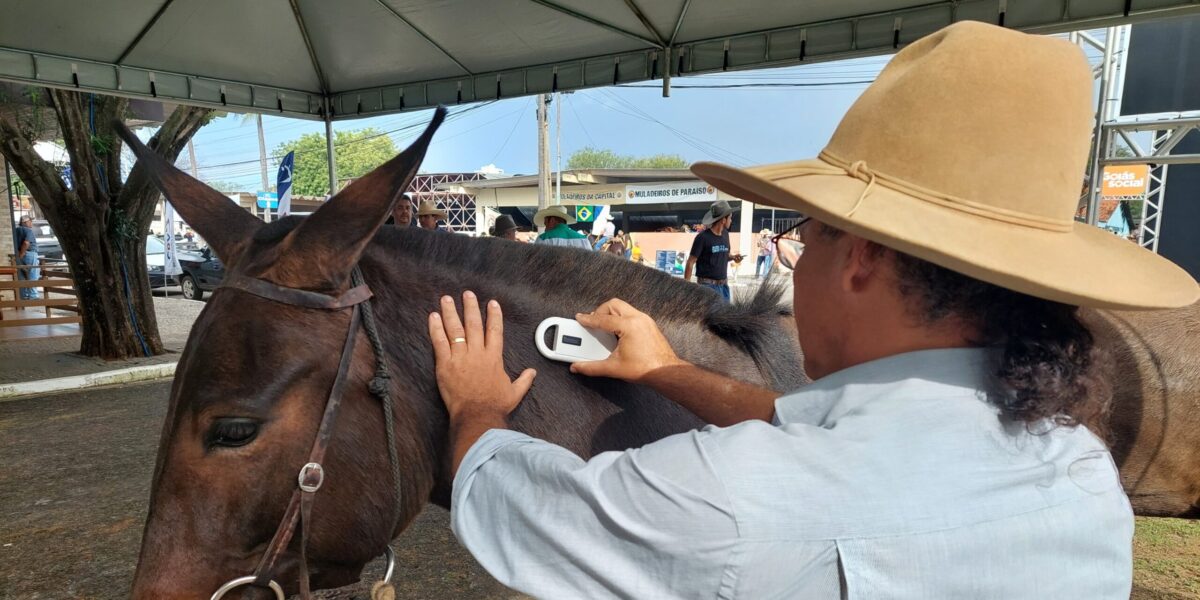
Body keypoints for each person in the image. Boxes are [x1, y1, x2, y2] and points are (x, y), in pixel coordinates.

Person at [426, 22, 1200, 599]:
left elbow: (516, 506)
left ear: (860, 257)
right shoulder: (1078, 467)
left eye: (809, 234)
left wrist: (478, 413)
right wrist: (663, 369)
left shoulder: (727, 499)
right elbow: (814, 427)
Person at [683, 199, 744, 301]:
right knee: (710, 316)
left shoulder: (725, 235)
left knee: (725, 316)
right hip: (707, 287)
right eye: (730, 218)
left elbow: (723, 255)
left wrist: (733, 257)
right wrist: (686, 287)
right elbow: (690, 262)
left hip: (724, 286)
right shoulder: (702, 238)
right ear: (723, 220)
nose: (731, 221)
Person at [13, 215, 40, 300]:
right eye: (30, 221)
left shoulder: (16, 230)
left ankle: (24, 294)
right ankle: (33, 295)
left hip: (20, 254)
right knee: (33, 274)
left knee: (22, 275)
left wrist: (20, 254)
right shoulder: (28, 230)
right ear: (25, 222)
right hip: (29, 253)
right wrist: (22, 253)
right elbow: (26, 243)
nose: (31, 223)